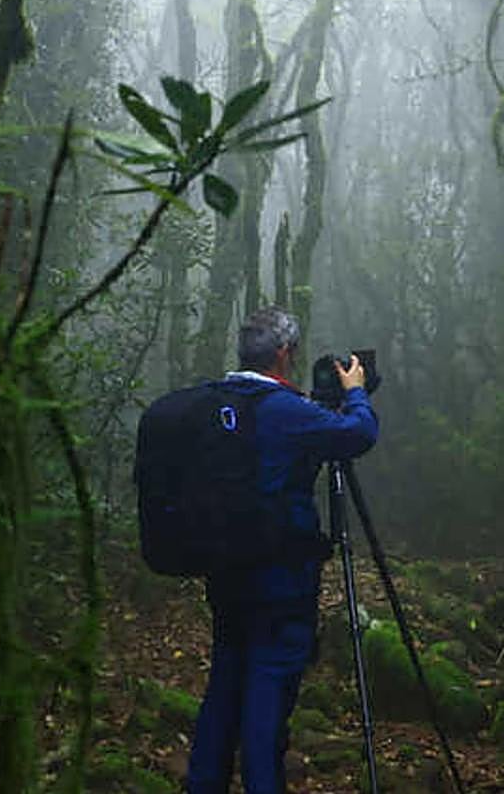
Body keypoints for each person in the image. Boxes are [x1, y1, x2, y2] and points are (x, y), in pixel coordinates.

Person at [186, 307, 378, 794]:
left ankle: (204, 784)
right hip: (282, 584)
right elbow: (359, 434)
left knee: (225, 686)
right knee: (267, 693)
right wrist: (355, 392)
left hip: (226, 575)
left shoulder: (213, 404)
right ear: (285, 353)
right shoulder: (285, 411)